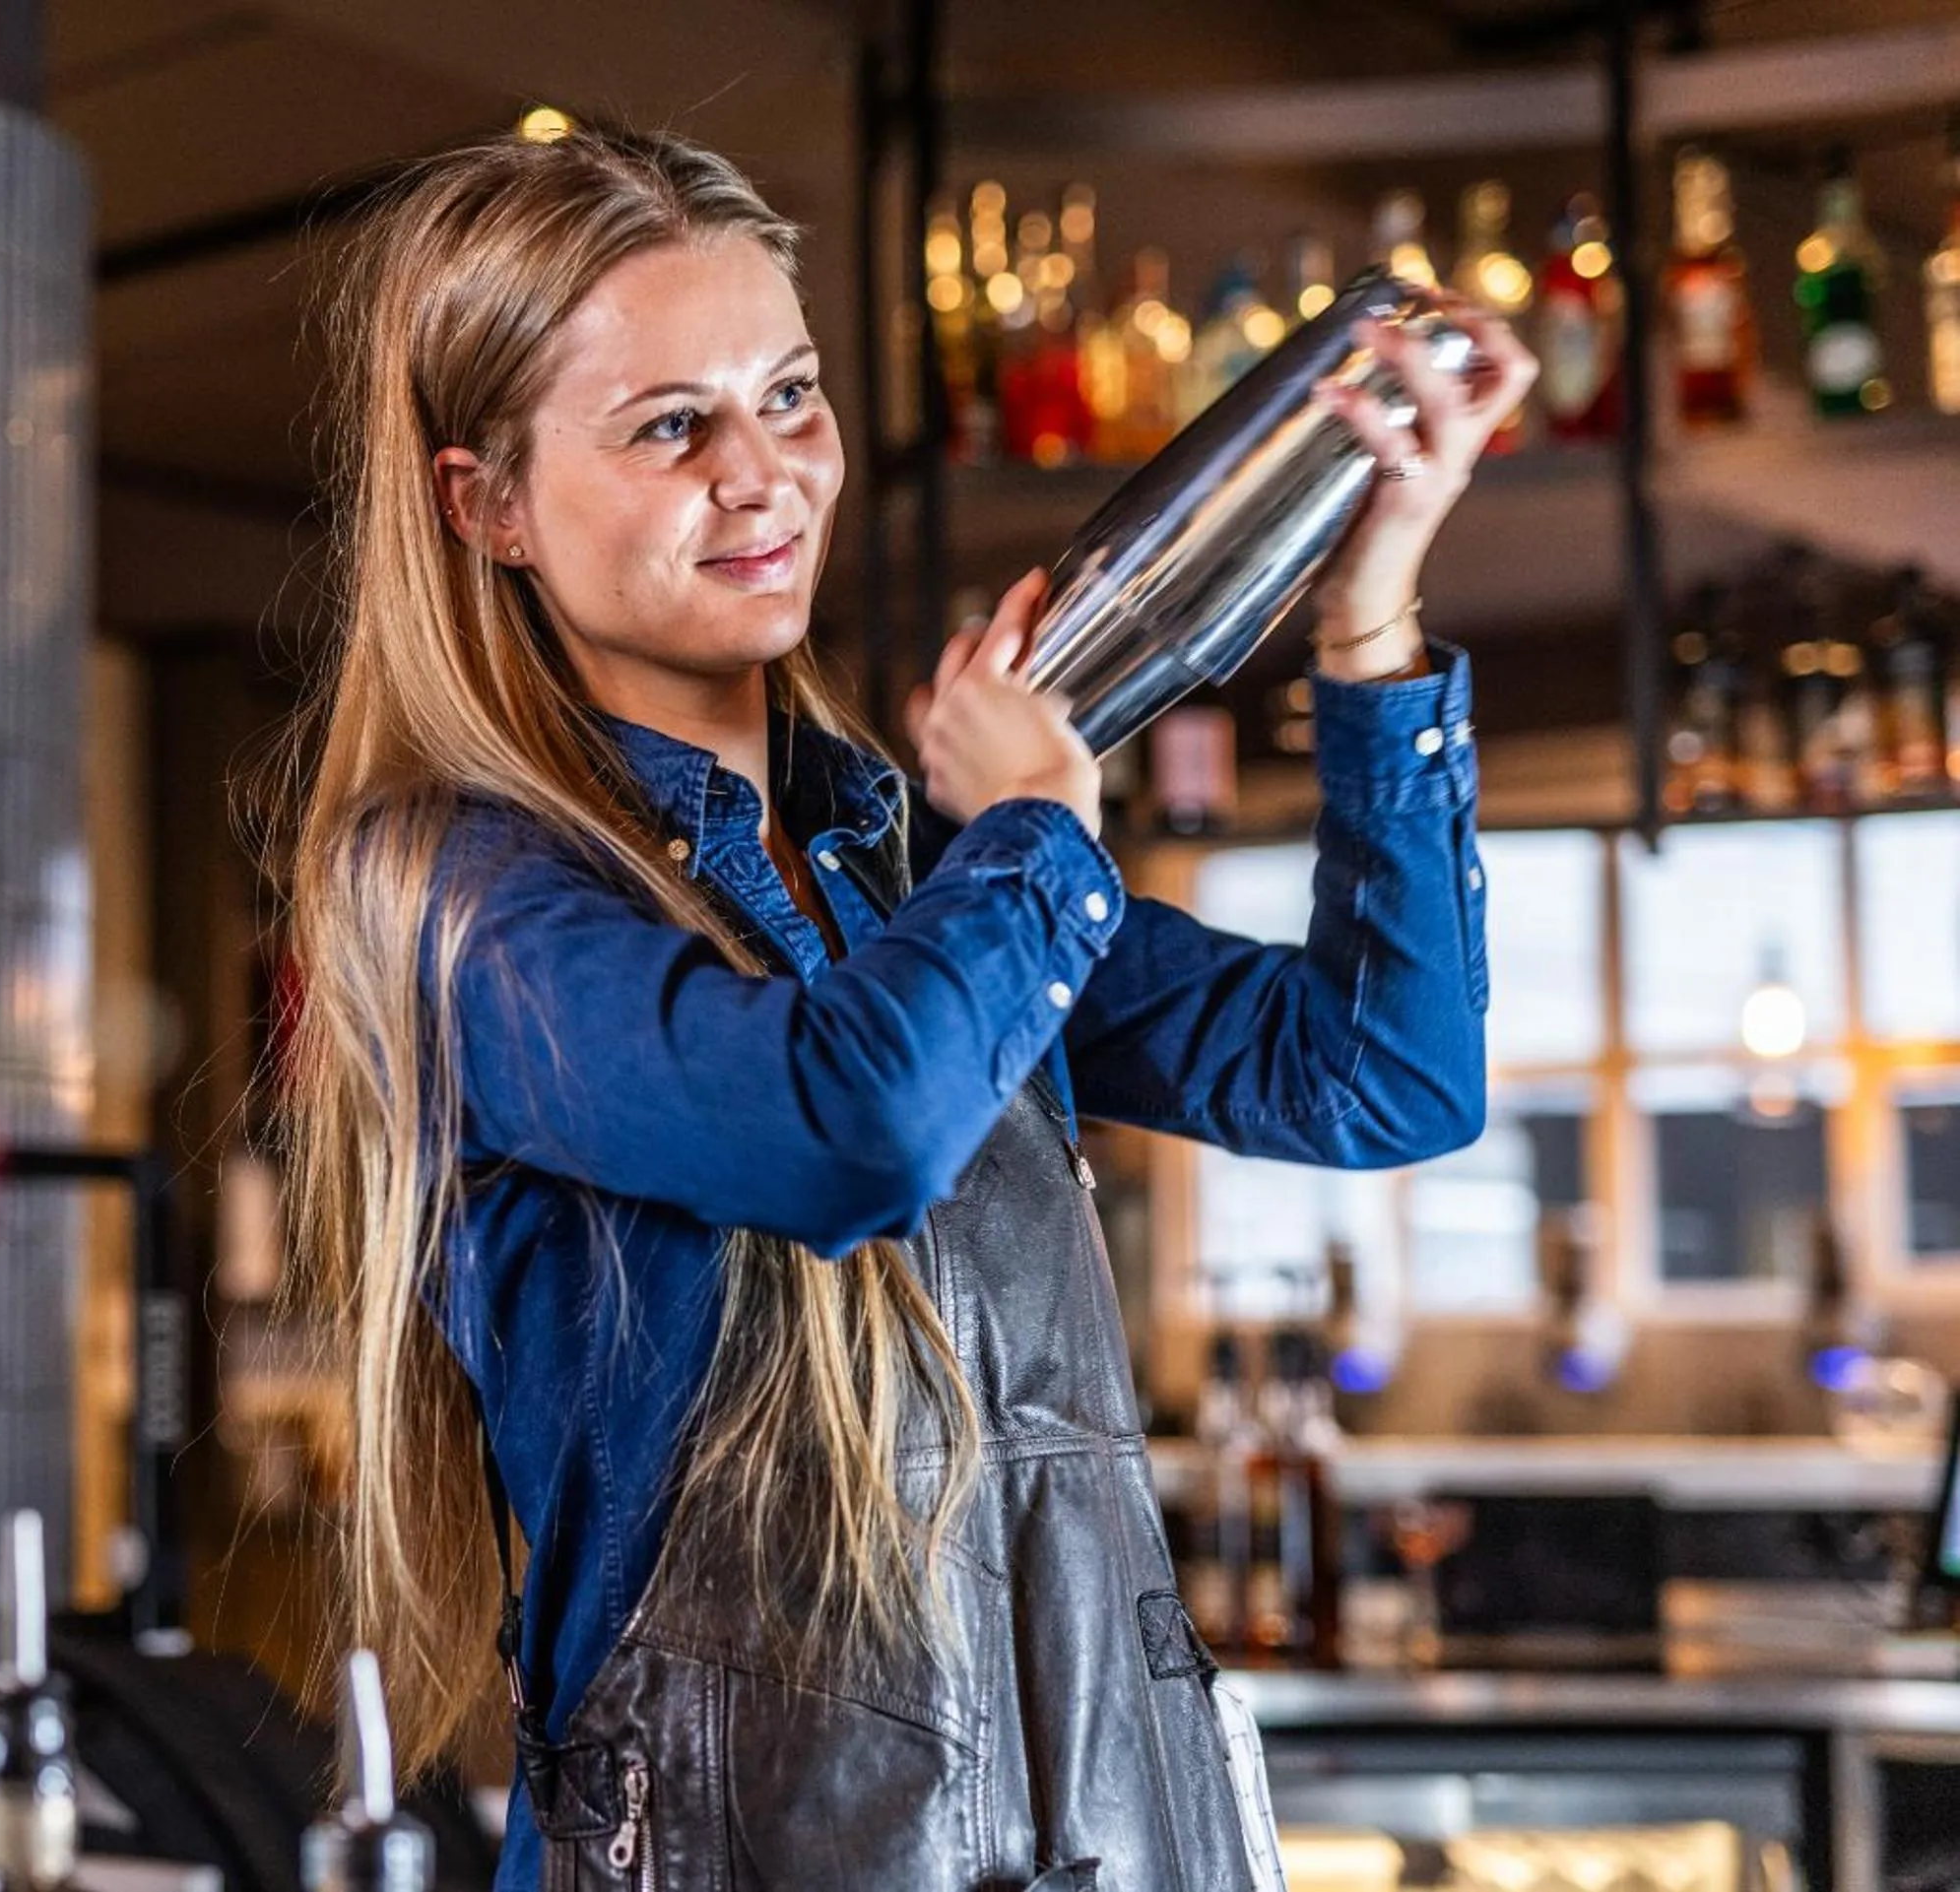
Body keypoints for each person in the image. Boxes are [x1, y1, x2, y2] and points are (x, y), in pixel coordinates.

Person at [278, 126, 1526, 1890]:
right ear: (481, 502)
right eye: (668, 427)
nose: (764, 476)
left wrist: (1369, 617)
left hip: (1114, 1833)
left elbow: (1380, 1076)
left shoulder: (907, 870)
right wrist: (1032, 827)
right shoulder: (452, 895)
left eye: (788, 397)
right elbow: (839, 1125)